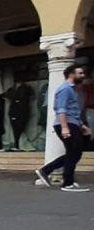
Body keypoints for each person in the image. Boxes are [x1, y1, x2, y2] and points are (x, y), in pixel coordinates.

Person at [36, 64, 92, 192]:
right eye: (80, 73)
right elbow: (61, 110)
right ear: (71, 74)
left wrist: (82, 126)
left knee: (73, 153)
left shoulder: (71, 89)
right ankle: (66, 183)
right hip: (67, 124)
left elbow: (72, 112)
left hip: (72, 123)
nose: (82, 76)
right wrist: (65, 128)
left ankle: (48, 172)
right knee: (74, 153)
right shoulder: (65, 89)